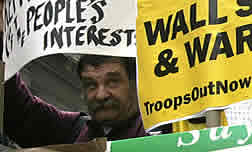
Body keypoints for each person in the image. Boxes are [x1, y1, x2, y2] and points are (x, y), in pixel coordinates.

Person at [4, 54, 146, 147]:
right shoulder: (74, 132)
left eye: (112, 82)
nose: (100, 95)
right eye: (91, 84)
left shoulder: (161, 133)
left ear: (135, 83)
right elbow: (20, 112)